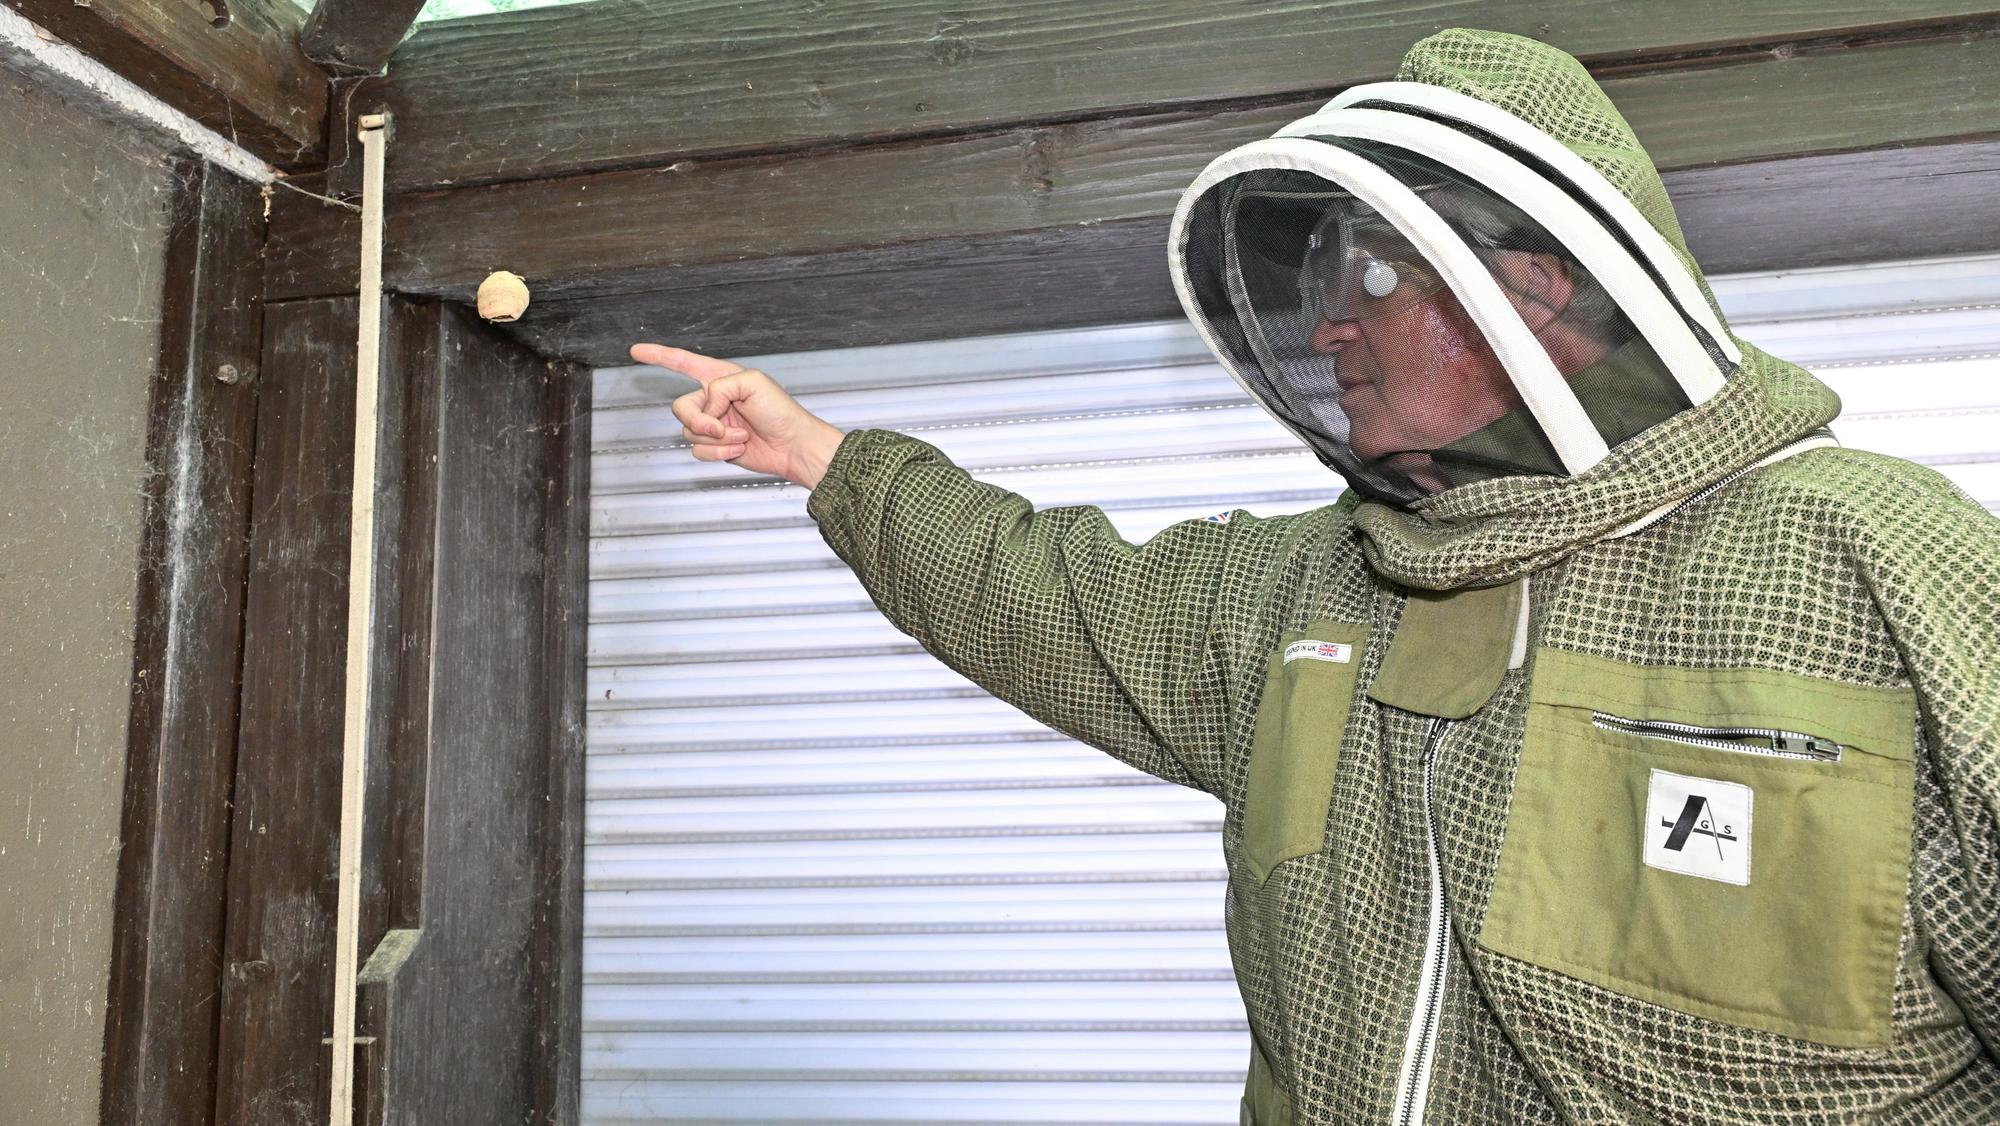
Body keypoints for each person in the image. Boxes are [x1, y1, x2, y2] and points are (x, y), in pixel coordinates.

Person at [629, 27, 2000, 1125]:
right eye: (1321, 279)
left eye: (1376, 272)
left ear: (1531, 288)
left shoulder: (1865, 557)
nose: (1329, 320)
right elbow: (1042, 586)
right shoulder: (1309, 592)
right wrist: (821, 456)